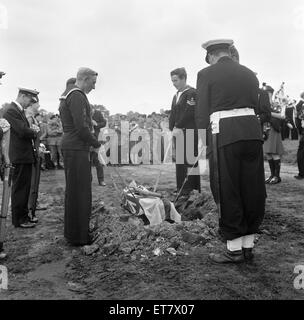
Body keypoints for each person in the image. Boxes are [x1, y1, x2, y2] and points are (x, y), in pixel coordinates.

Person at [196, 39, 266, 264]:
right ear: (228, 52)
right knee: (252, 187)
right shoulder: (249, 73)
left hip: (224, 133)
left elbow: (202, 111)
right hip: (252, 132)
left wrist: (202, 140)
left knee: (228, 188)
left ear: (212, 56)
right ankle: (248, 246)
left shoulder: (206, 73)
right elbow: (258, 106)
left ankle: (234, 249)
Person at [59, 68, 101, 246]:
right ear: (84, 79)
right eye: (93, 82)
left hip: (74, 147)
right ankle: (79, 237)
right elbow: (81, 127)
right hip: (76, 148)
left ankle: (75, 232)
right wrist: (95, 143)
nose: (94, 87)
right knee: (80, 192)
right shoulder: (76, 95)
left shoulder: (69, 94)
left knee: (76, 191)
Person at [3, 87, 40, 228]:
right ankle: (19, 219)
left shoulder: (16, 110)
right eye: (30, 100)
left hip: (22, 155)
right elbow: (23, 131)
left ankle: (23, 216)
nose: (30, 104)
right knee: (20, 188)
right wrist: (35, 131)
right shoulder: (11, 110)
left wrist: (31, 131)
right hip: (19, 156)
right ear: (23, 96)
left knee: (24, 188)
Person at [169, 67, 201, 196]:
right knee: (180, 161)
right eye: (172, 81)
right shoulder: (176, 95)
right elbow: (173, 113)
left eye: (176, 80)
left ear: (183, 78)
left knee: (190, 160)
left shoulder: (191, 92)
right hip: (178, 132)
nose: (173, 83)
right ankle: (181, 186)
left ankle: (192, 187)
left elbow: (189, 112)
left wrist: (178, 125)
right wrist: (172, 127)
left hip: (189, 131)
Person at [263, 85, 285, 184]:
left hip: (273, 129)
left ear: (270, 93)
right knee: (267, 153)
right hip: (264, 129)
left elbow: (282, 116)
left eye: (266, 93)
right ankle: (272, 175)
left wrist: (269, 113)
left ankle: (277, 176)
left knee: (274, 152)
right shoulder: (262, 104)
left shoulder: (276, 103)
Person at [90, 105, 107, 186]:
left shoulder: (98, 113)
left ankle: (101, 180)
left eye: (92, 112)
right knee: (87, 161)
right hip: (86, 139)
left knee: (97, 160)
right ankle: (88, 180)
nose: (90, 113)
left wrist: (96, 124)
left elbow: (104, 123)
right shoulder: (83, 113)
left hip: (96, 139)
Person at [294, 92, 304, 180]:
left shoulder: (300, 105)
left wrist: (300, 131)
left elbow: (298, 118)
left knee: (301, 152)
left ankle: (302, 173)